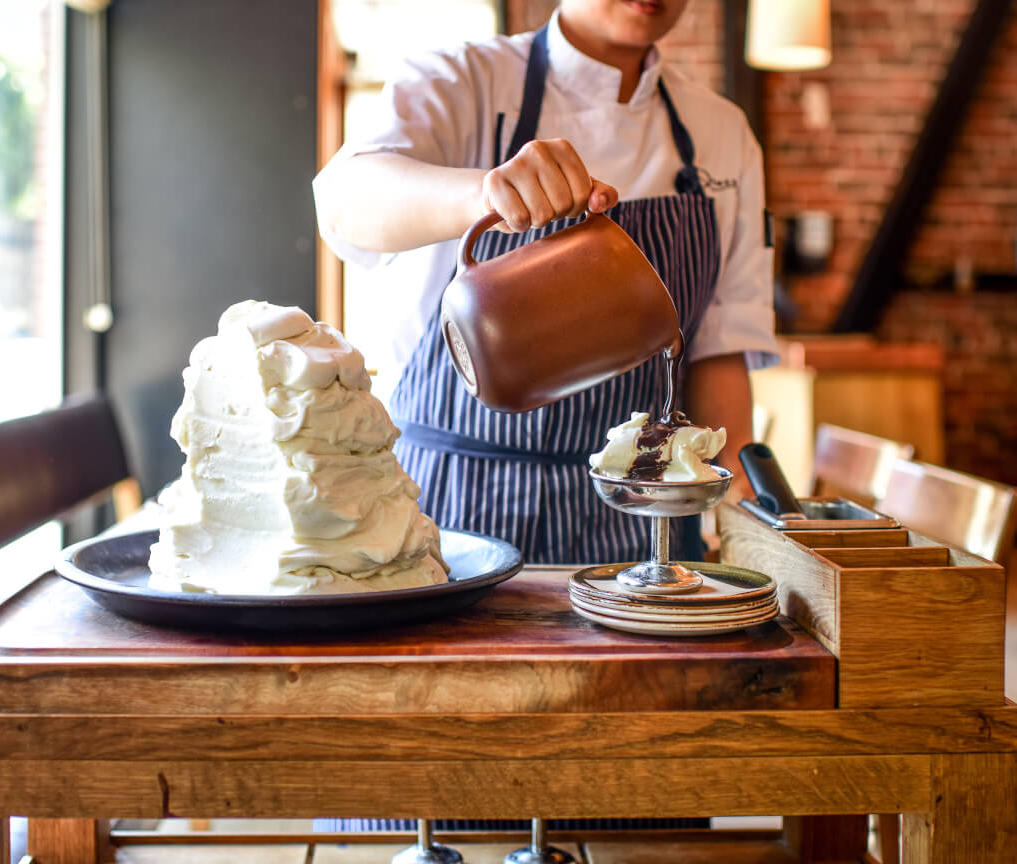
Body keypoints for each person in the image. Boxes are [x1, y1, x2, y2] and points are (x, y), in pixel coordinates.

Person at [314, 0, 777, 566]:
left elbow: (717, 351)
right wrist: (487, 194)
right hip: (452, 510)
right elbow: (344, 202)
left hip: (639, 521)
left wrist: (745, 536)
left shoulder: (721, 131)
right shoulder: (464, 78)